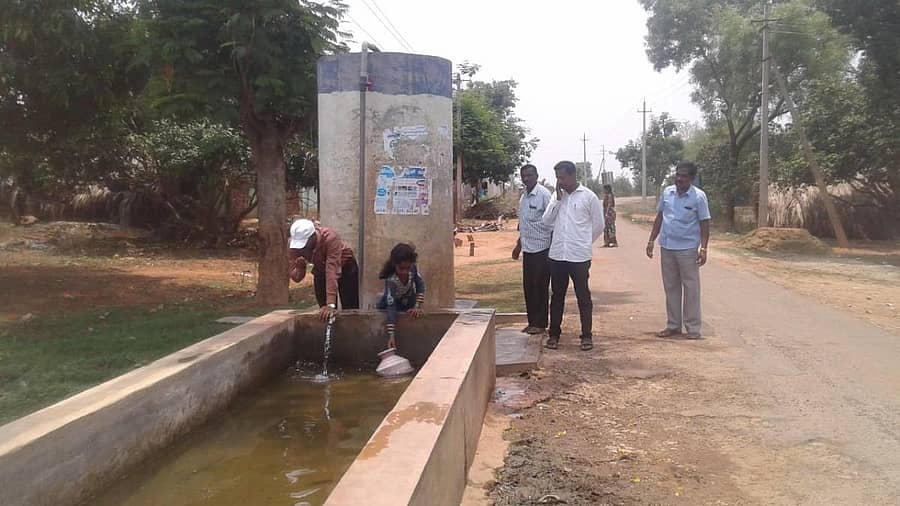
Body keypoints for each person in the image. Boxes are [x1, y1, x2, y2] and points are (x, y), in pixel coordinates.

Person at [541, 160, 605, 351]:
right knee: (557, 296)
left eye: (562, 177)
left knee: (583, 296)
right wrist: (558, 200)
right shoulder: (556, 197)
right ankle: (554, 335)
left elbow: (599, 225)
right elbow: (546, 221)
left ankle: (586, 336)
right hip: (558, 255)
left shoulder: (589, 197)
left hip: (579, 257)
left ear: (572, 175)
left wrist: (584, 243)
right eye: (558, 178)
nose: (560, 182)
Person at [646, 161, 711, 339]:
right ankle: (673, 325)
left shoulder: (698, 197)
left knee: (691, 288)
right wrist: (652, 240)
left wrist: (703, 248)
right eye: (677, 174)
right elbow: (660, 217)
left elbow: (705, 223)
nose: (679, 178)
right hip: (667, 247)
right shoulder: (668, 192)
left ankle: (693, 328)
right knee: (671, 287)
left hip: (688, 249)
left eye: (683, 176)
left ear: (691, 178)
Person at [288, 219, 359, 321]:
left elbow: (332, 271)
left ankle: (351, 332)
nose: (302, 249)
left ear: (313, 237)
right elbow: (296, 278)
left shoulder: (330, 238)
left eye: (304, 244)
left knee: (350, 308)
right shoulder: (293, 245)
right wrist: (301, 267)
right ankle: (330, 333)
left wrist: (331, 305)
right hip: (320, 267)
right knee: (324, 311)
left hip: (345, 266)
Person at [512, 164, 553, 335]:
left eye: (529, 175)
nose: (526, 178)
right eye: (524, 176)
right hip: (528, 249)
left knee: (540, 287)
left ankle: (541, 323)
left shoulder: (544, 195)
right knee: (529, 287)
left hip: (542, 249)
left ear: (536, 175)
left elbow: (553, 221)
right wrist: (518, 246)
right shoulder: (524, 197)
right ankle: (532, 322)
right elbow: (525, 225)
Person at [377, 243, 426, 349]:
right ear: (394, 265)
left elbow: (420, 286)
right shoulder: (391, 280)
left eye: (407, 268)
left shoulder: (413, 269)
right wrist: (391, 336)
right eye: (401, 268)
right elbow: (391, 305)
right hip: (391, 304)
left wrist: (417, 306)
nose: (405, 272)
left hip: (408, 301)